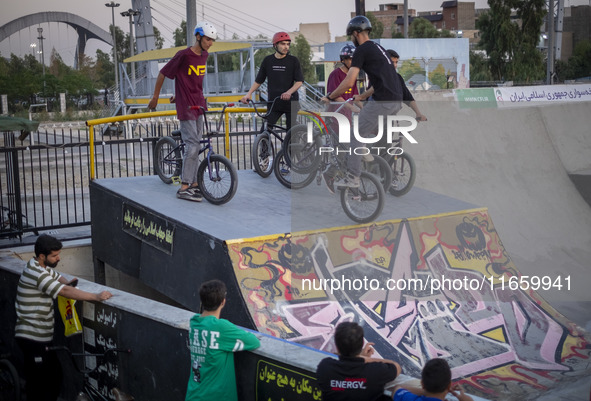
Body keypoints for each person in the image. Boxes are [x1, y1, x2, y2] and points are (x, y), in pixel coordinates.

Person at [14, 234, 113, 401]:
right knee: (39, 385)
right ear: (42, 256)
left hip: (42, 338)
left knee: (54, 377)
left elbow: (58, 277)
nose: (59, 258)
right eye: (55, 255)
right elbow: (64, 291)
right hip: (32, 337)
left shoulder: (39, 266)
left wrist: (67, 282)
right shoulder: (36, 273)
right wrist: (95, 297)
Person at [322, 15, 404, 189]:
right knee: (366, 132)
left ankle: (353, 177)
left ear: (356, 33)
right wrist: (362, 97)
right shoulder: (378, 48)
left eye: (351, 36)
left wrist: (330, 96)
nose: (352, 39)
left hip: (382, 101)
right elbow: (380, 83)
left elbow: (349, 81)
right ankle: (363, 152)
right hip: (396, 101)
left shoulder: (361, 50)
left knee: (355, 135)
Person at [148, 21, 218, 202]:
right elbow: (163, 73)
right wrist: (155, 97)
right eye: (208, 39)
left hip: (199, 104)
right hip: (186, 106)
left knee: (197, 144)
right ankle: (184, 187)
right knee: (193, 144)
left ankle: (194, 184)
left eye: (212, 40)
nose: (210, 43)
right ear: (198, 37)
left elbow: (189, 79)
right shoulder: (183, 55)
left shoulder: (205, 55)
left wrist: (177, 93)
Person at [185, 279, 260, 401]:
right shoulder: (221, 327)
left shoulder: (194, 323)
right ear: (223, 302)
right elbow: (254, 342)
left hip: (194, 395)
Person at [316, 322, 401, 401]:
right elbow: (396, 366)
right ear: (362, 343)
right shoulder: (376, 371)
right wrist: (365, 358)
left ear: (337, 346)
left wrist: (361, 358)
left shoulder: (325, 368)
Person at [240, 32, 304, 130]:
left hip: (291, 101)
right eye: (283, 44)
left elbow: (299, 81)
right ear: (275, 45)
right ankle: (265, 144)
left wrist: (288, 92)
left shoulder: (293, 61)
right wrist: (248, 94)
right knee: (265, 130)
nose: (286, 47)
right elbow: (259, 81)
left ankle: (291, 145)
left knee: (291, 132)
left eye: (288, 44)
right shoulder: (268, 60)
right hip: (274, 101)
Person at [355, 49, 427, 122]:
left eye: (396, 62)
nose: (395, 65)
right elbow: (373, 91)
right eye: (392, 62)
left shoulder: (397, 78)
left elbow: (408, 97)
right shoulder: (378, 75)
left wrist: (418, 113)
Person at [392, 358, 474, 401]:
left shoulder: (408, 398)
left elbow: (398, 388)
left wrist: (428, 390)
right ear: (449, 385)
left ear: (422, 384)